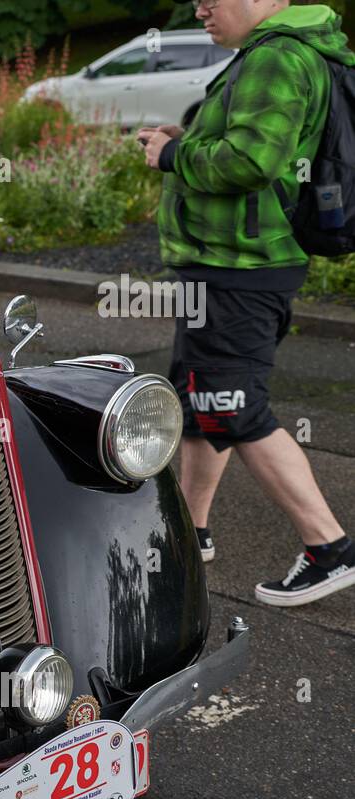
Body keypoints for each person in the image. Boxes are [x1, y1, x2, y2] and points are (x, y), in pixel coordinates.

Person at [139, 0, 355, 607]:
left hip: (239, 267)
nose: (199, 7)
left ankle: (329, 547)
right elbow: (262, 150)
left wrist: (172, 155)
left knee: (232, 406)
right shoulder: (282, 51)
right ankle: (190, 532)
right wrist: (187, 138)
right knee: (201, 395)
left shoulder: (276, 56)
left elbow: (252, 161)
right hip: (235, 265)